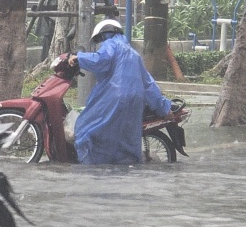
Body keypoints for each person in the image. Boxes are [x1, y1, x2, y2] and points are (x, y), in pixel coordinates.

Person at [67, 19, 175, 165]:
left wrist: (79, 57)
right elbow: (149, 84)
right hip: (135, 103)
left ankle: (89, 169)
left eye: (99, 40)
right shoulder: (134, 54)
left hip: (114, 99)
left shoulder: (111, 44)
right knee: (125, 141)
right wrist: (164, 108)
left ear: (104, 35)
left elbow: (100, 60)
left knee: (85, 130)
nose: (100, 44)